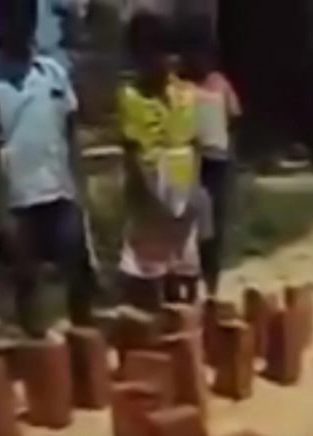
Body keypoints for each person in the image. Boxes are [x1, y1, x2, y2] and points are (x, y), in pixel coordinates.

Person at [0, 0, 100, 336]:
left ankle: (86, 343)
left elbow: (70, 134)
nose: (23, 23)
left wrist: (81, 192)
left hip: (59, 190)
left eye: (28, 15)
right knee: (27, 277)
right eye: (12, 15)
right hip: (16, 197)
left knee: (79, 268)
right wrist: (0, 211)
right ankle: (38, 354)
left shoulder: (52, 72)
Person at [118, 12, 203, 310]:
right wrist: (147, 193)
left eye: (171, 53)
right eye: (156, 54)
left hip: (183, 182)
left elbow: (196, 144)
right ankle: (148, 323)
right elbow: (132, 152)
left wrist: (194, 189)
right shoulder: (130, 97)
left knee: (185, 262)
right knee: (149, 265)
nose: (166, 61)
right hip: (149, 186)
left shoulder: (188, 95)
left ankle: (187, 321)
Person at [179, 15, 242, 297]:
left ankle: (212, 284)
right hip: (192, 161)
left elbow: (235, 116)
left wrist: (231, 154)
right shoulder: (181, 87)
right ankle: (188, 285)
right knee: (191, 225)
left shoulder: (220, 83)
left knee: (214, 225)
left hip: (218, 161)